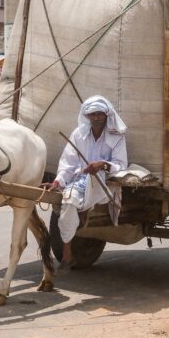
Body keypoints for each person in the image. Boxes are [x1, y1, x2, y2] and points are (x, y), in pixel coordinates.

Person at [46, 96, 127, 275]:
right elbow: (68, 163)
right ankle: (67, 254)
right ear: (87, 116)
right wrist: (58, 181)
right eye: (93, 114)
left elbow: (121, 165)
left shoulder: (117, 136)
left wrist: (103, 165)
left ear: (106, 115)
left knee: (80, 193)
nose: (97, 117)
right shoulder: (78, 134)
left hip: (104, 183)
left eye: (100, 114)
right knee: (67, 202)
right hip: (80, 182)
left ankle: (81, 212)